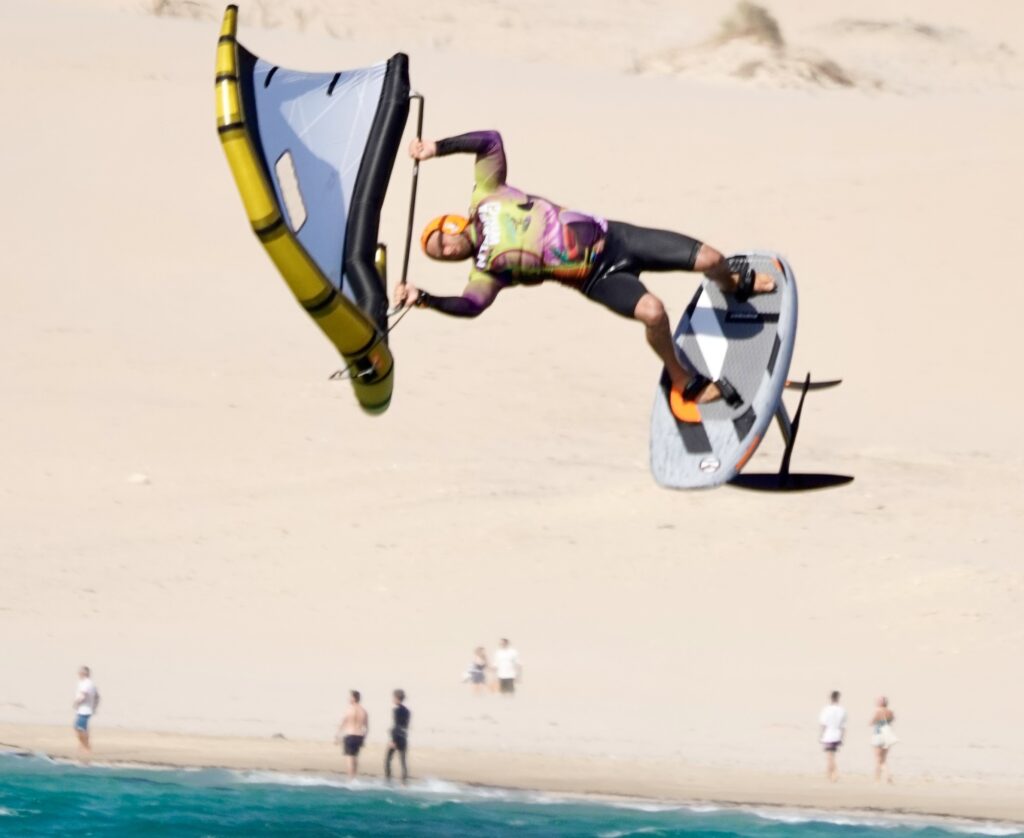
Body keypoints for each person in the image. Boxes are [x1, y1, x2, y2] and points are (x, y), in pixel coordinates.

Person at [394, 131, 776, 413]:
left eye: (441, 243)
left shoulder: (487, 194)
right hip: (596, 278)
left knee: (710, 258)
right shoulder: (486, 272)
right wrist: (425, 299)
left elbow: (490, 141)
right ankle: (681, 378)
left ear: (450, 225)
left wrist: (436, 149)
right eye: (439, 257)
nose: (446, 252)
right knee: (653, 312)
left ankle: (732, 285)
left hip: (618, 237)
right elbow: (470, 305)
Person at [335, 690, 369, 779]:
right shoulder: (364, 711)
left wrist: (337, 735)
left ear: (354, 698)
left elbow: (342, 723)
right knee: (355, 757)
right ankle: (354, 777)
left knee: (349, 758)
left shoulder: (349, 709)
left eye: (350, 697)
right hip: (359, 736)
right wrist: (364, 738)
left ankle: (350, 779)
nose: (349, 699)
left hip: (350, 735)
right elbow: (366, 728)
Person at [72, 666, 100, 763]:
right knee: (79, 727)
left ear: (84, 673)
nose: (78, 674)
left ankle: (86, 747)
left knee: (80, 728)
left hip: (85, 710)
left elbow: (84, 694)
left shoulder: (87, 683)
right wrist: (95, 706)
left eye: (80, 672)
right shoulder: (86, 683)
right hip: (84, 709)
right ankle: (83, 745)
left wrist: (77, 702)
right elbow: (97, 696)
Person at [384, 689, 412, 783]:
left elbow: (397, 725)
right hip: (403, 736)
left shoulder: (396, 710)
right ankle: (404, 782)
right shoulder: (407, 711)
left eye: (393, 697)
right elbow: (405, 725)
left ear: (397, 698)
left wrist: (393, 739)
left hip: (396, 736)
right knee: (403, 761)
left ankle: (388, 780)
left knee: (388, 760)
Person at [819, 690, 846, 782]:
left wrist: (821, 735)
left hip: (829, 735)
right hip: (837, 734)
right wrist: (842, 737)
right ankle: (829, 775)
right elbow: (843, 726)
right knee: (831, 756)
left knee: (830, 756)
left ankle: (835, 773)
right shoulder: (842, 710)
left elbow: (823, 724)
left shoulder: (826, 709)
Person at [869, 695, 897, 783]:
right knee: (884, 759)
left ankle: (877, 779)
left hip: (878, 735)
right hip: (887, 736)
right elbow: (892, 720)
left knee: (877, 759)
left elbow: (871, 722)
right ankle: (888, 775)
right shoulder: (890, 712)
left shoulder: (878, 711)